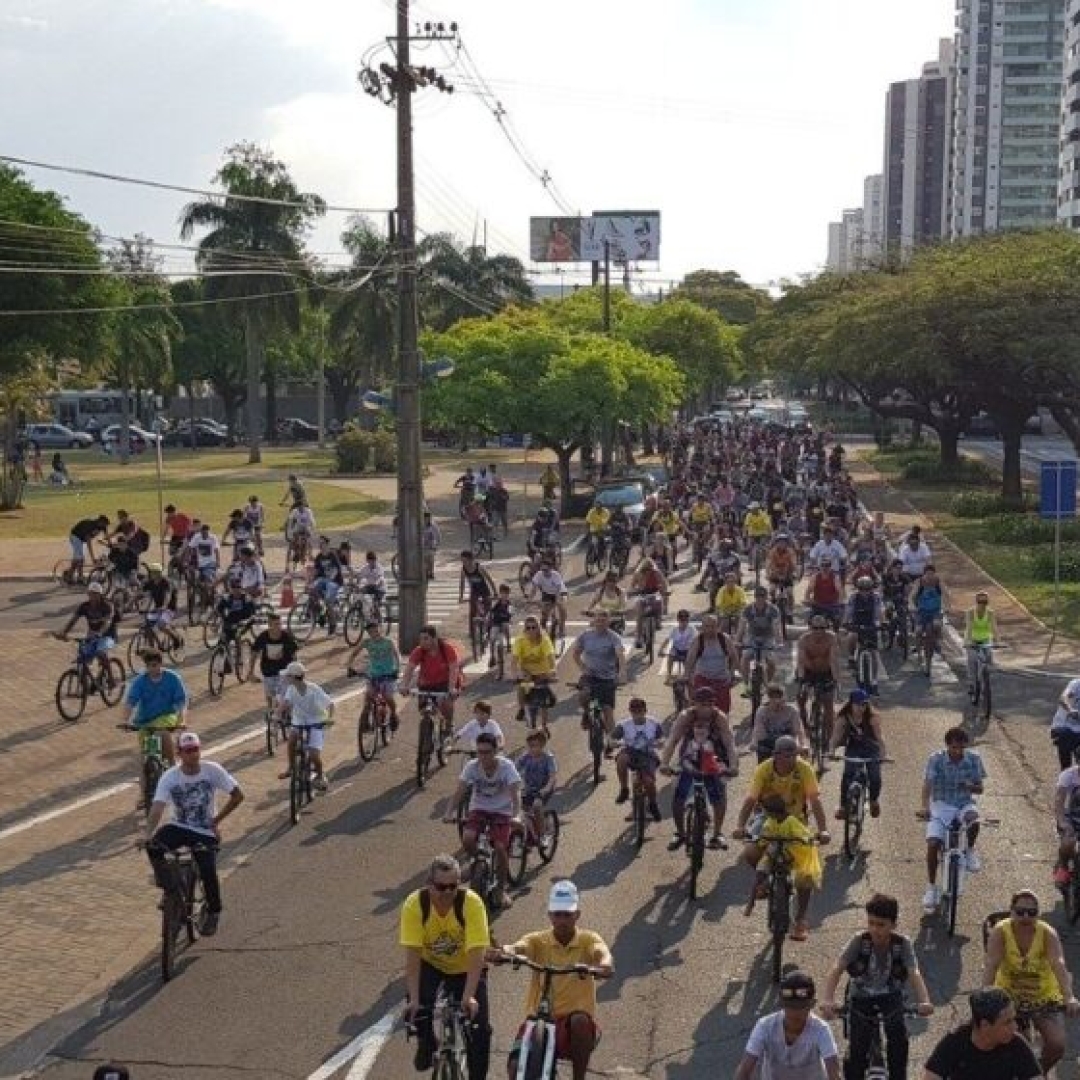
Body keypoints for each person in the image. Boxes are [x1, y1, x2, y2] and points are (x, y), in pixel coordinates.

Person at [497, 881, 613, 1080]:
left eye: (567, 914)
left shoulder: (588, 940)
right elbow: (520, 946)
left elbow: (603, 955)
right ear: (550, 915)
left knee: (580, 1020)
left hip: (570, 1029)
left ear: (577, 915)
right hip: (537, 1021)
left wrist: (600, 966)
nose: (562, 920)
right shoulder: (538, 939)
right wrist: (507, 952)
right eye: (557, 914)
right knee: (516, 1069)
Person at [820, 893, 933, 1080]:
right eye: (871, 923)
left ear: (893, 925)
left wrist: (924, 1001)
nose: (874, 929)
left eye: (881, 925)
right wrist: (828, 1000)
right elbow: (836, 969)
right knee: (857, 1048)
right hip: (861, 997)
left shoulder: (902, 944)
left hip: (891, 997)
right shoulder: (859, 941)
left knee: (898, 1040)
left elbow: (914, 974)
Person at [145, 731, 244, 938]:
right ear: (179, 753)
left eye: (196, 749)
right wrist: (148, 833)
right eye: (188, 751)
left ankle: (214, 912)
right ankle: (171, 889)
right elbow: (157, 807)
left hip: (204, 831)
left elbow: (238, 796)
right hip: (178, 827)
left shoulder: (212, 770)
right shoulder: (170, 776)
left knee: (208, 870)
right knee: (153, 847)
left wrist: (216, 821)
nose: (193, 754)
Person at [400, 854, 492, 1077]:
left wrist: (469, 997)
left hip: (465, 967)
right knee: (419, 1011)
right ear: (429, 884)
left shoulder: (471, 903)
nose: (448, 893)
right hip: (431, 964)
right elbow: (412, 958)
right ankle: (427, 1042)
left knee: (479, 1031)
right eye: (441, 887)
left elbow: (477, 954)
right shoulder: (415, 905)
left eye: (453, 886)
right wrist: (413, 999)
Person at [732, 736, 830, 941]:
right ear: (775, 755)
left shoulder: (804, 769)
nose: (788, 760)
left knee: (806, 874)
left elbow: (814, 800)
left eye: (792, 755)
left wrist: (823, 830)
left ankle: (801, 920)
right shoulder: (764, 770)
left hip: (796, 822)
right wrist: (741, 826)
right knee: (750, 852)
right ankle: (765, 882)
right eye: (784, 755)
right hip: (766, 819)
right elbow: (751, 799)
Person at [982, 889, 1079, 1075]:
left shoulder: (1047, 933)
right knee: (1014, 1044)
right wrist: (986, 995)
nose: (1025, 917)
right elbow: (991, 965)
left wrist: (1069, 996)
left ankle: (1036, 1074)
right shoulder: (1000, 931)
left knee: (1056, 1044)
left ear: (1038, 914)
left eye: (1031, 913)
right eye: (1020, 912)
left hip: (1044, 998)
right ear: (1011, 911)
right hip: (1010, 998)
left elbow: (1058, 963)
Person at [443, 731, 522, 910]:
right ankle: (477, 863)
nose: (482, 756)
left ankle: (501, 890)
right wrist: (449, 811)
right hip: (479, 808)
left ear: (495, 751)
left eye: (487, 752)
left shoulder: (506, 766)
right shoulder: (472, 766)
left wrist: (516, 815)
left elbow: (515, 794)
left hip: (502, 811)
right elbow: (459, 792)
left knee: (501, 848)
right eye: (479, 752)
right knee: (468, 838)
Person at [920, 727, 986, 911]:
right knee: (933, 844)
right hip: (941, 805)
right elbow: (927, 785)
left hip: (964, 803)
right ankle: (931, 887)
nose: (957, 751)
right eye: (954, 747)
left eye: (961, 747)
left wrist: (970, 786)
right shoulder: (936, 759)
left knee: (974, 820)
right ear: (947, 745)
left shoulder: (974, 759)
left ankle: (970, 850)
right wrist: (925, 807)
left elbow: (980, 789)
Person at [733, 971, 842, 1080]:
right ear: (781, 1004)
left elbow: (834, 1072)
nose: (794, 1013)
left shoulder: (821, 1030)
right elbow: (745, 1069)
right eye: (790, 1006)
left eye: (800, 1007)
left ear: (812, 1004)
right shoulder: (765, 1026)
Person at [922, 987, 1041, 1080]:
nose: (1015, 1027)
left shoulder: (1016, 1044)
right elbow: (931, 1077)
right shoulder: (954, 1043)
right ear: (985, 1025)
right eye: (1007, 1022)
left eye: (1014, 1019)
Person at [661, 707, 732, 850]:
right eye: (697, 728)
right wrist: (666, 765)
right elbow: (673, 742)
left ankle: (717, 834)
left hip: (710, 770)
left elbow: (728, 747)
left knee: (718, 797)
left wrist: (730, 768)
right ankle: (680, 834)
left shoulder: (717, 729)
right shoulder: (687, 731)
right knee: (678, 798)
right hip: (689, 768)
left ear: (709, 731)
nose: (700, 731)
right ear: (692, 729)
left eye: (703, 728)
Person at [569, 610, 628, 750]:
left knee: (607, 710)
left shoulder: (614, 637)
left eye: (604, 618)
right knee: (583, 695)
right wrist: (583, 668)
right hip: (590, 676)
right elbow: (576, 654)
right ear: (594, 620)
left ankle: (611, 739)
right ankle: (586, 713)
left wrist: (622, 673)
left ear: (609, 622)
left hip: (607, 678)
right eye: (598, 618)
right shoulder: (585, 636)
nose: (601, 621)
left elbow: (620, 655)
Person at [123, 650, 189, 767]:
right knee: (146, 761)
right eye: (148, 666)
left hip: (167, 715)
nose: (151, 669)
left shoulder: (173, 678)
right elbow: (130, 702)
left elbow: (181, 702)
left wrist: (182, 720)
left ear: (161, 664)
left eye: (154, 665)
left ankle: (173, 765)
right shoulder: (140, 681)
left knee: (161, 732)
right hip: (144, 722)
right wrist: (126, 720)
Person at [276, 661, 334, 790]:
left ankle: (320, 775)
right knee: (291, 741)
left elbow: (330, 704)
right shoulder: (291, 689)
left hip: (316, 721)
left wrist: (329, 718)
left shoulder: (313, 689)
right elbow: (285, 703)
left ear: (293, 677)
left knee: (314, 754)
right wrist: (277, 714)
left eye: (288, 676)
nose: (286, 678)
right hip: (299, 721)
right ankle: (291, 767)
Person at [830, 689, 887, 820]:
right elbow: (835, 736)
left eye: (864, 704)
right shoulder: (844, 717)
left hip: (872, 749)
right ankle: (843, 807)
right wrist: (831, 751)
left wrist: (883, 754)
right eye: (858, 704)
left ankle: (873, 801)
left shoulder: (872, 718)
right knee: (847, 775)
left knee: (875, 776)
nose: (861, 708)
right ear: (851, 704)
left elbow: (880, 738)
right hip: (854, 748)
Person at [612, 697, 664, 819]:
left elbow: (662, 737)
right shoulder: (624, 725)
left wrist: (660, 742)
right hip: (630, 751)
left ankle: (652, 804)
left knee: (649, 783)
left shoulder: (654, 723)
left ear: (645, 710)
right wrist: (613, 742)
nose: (637, 714)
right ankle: (624, 789)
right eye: (634, 711)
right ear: (630, 711)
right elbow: (612, 737)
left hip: (648, 754)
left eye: (640, 711)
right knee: (621, 760)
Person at [401, 625, 461, 725]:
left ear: (435, 638)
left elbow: (453, 669)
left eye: (426, 638)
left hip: (445, 683)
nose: (422, 642)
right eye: (420, 639)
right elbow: (409, 669)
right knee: (424, 711)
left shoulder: (447, 649)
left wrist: (451, 688)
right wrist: (404, 685)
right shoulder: (419, 651)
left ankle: (449, 725)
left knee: (447, 705)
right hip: (426, 684)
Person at [796, 615, 841, 745]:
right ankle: (804, 725)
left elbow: (833, 660)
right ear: (810, 628)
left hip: (826, 672)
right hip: (808, 671)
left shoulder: (831, 638)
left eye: (822, 628)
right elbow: (800, 661)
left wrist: (836, 680)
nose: (819, 631)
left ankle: (829, 740)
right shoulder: (804, 639)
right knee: (801, 697)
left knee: (828, 704)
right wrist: (801, 680)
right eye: (815, 628)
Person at [346, 620, 401, 727]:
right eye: (371, 632)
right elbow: (354, 653)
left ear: (380, 629)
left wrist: (397, 669)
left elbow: (397, 655)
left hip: (388, 675)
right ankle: (365, 721)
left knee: (388, 697)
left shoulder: (389, 642)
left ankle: (394, 714)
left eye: (375, 630)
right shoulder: (367, 642)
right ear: (368, 633)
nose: (374, 634)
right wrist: (350, 666)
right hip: (373, 675)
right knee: (368, 697)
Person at [684, 613, 740, 714]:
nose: (710, 629)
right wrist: (687, 677)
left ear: (718, 627)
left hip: (721, 679)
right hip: (703, 678)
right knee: (698, 709)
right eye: (707, 626)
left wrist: (732, 673)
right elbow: (689, 661)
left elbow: (735, 657)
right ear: (702, 627)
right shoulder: (698, 640)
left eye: (713, 626)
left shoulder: (724, 639)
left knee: (723, 711)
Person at [56, 581, 119, 668]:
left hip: (108, 635)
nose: (92, 597)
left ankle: (110, 678)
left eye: (95, 594)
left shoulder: (107, 606)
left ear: (100, 595)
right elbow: (73, 620)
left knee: (100, 652)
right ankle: (83, 677)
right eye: (90, 594)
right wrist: (64, 632)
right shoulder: (85, 606)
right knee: (83, 657)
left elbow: (108, 622)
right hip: (92, 635)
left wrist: (100, 633)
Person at [248, 612, 301, 715]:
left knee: (286, 697)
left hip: (284, 671)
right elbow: (254, 653)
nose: (278, 627)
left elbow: (294, 654)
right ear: (269, 625)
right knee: (270, 696)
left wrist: (296, 671)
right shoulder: (263, 636)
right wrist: (251, 672)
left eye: (279, 624)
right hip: (268, 670)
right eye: (275, 624)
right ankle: (271, 715)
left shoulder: (286, 636)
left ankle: (289, 718)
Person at [510, 616, 557, 727]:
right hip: (527, 675)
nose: (531, 630)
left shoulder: (544, 640)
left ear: (538, 628)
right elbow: (514, 662)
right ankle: (521, 709)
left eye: (534, 627)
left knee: (544, 701)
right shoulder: (520, 640)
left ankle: (544, 726)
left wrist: (552, 671)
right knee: (521, 687)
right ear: (524, 629)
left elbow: (551, 659)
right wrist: (515, 675)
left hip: (542, 674)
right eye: (528, 628)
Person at [736, 585, 783, 692]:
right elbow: (741, 627)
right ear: (755, 597)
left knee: (771, 662)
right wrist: (737, 641)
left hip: (768, 637)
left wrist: (779, 643)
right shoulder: (747, 609)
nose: (760, 598)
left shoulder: (773, 610)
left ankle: (768, 685)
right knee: (745, 657)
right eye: (758, 596)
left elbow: (777, 628)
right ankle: (746, 685)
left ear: (766, 597)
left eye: (762, 596)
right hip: (752, 636)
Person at [515, 729, 557, 843]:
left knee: (537, 806)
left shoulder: (548, 758)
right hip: (529, 788)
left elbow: (552, 776)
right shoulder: (526, 756)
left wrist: (547, 788)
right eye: (530, 746)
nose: (532, 749)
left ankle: (543, 835)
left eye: (535, 746)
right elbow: (514, 769)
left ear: (543, 745)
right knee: (519, 807)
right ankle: (528, 834)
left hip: (544, 789)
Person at [752, 683, 809, 763]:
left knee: (801, 758)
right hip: (768, 743)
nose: (777, 701)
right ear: (769, 699)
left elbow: (799, 730)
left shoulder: (792, 710)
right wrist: (755, 743)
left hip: (788, 743)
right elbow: (760, 733)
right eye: (773, 698)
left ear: (784, 698)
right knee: (762, 751)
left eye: (779, 697)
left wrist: (802, 745)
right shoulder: (762, 712)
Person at [1049, 674, 1080, 771]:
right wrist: (1070, 709)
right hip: (1064, 726)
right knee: (1065, 737)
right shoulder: (1076, 684)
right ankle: (1065, 776)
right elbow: (1063, 697)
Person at [67, 514, 110, 581]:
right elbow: (89, 543)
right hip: (75, 537)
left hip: (82, 539)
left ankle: (71, 574)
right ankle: (79, 577)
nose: (105, 526)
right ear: (100, 522)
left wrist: (110, 544)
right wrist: (93, 558)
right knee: (80, 558)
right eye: (105, 524)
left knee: (79, 558)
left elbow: (107, 536)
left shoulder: (102, 526)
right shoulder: (90, 526)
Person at [664, 608, 696, 685]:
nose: (684, 622)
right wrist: (661, 649)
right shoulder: (674, 630)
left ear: (688, 621)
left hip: (687, 651)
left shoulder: (692, 629)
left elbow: (696, 641)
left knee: (689, 661)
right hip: (677, 650)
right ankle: (668, 675)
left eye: (686, 620)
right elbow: (667, 640)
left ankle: (689, 676)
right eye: (682, 620)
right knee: (671, 654)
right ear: (678, 620)